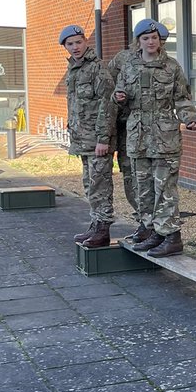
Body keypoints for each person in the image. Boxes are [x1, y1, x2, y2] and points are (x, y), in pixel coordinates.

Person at [113, 18, 196, 257]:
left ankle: (171, 236)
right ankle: (153, 231)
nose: (151, 42)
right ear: (138, 42)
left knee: (165, 187)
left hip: (164, 135)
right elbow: (119, 94)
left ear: (160, 41)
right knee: (143, 187)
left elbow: (182, 97)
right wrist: (118, 97)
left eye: (155, 38)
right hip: (138, 134)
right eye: (146, 38)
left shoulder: (171, 67)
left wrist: (189, 117)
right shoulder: (129, 67)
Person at [59, 23, 116, 248]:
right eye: (70, 44)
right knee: (89, 184)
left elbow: (107, 104)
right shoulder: (74, 70)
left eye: (79, 42)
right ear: (65, 46)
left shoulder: (97, 69)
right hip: (82, 139)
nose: (75, 47)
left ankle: (103, 229)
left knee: (100, 184)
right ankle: (95, 224)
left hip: (97, 140)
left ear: (86, 42)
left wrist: (103, 138)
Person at [107, 39, 141, 241]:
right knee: (130, 174)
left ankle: (156, 225)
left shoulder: (167, 63)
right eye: (144, 37)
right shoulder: (122, 59)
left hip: (150, 132)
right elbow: (109, 90)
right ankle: (143, 222)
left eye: (158, 39)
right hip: (126, 128)